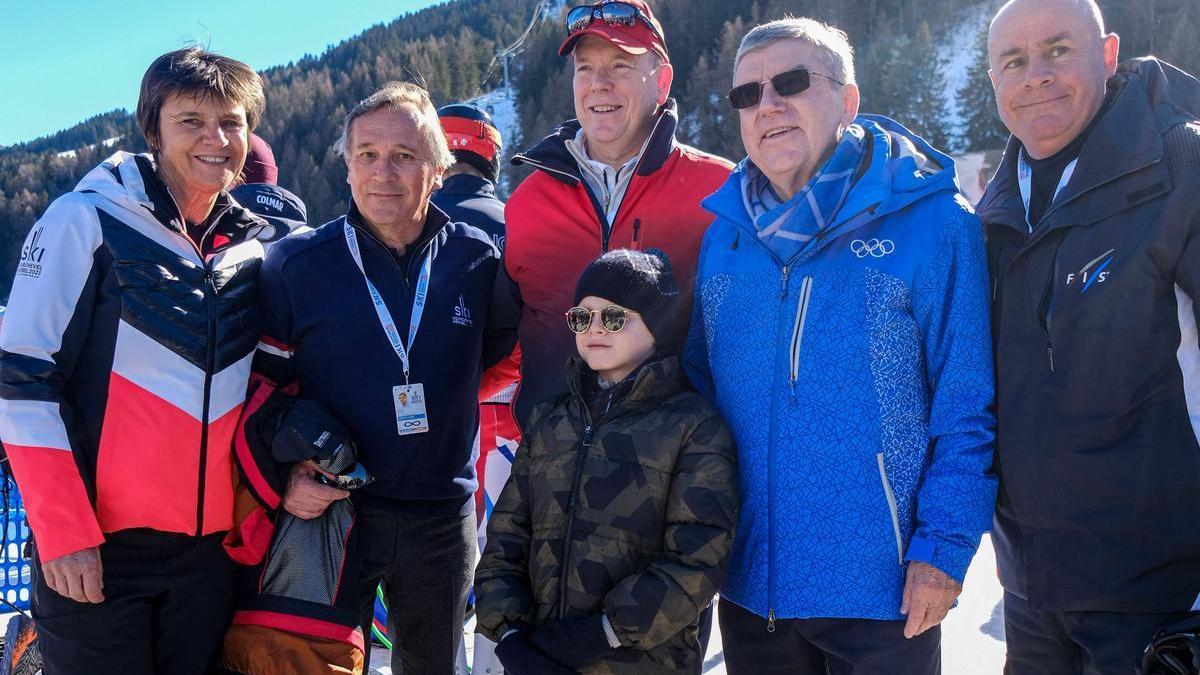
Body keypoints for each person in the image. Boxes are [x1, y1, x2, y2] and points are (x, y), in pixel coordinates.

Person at [684, 17, 996, 674]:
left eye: (790, 83)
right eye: (747, 94)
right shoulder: (724, 236)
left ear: (848, 100)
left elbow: (966, 401)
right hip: (751, 588)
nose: (766, 105)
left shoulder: (933, 220)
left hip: (883, 591)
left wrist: (942, 547)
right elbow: (699, 397)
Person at [0, 47, 268, 674]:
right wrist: (65, 533)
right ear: (153, 129)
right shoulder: (84, 219)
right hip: (97, 548)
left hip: (209, 555)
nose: (216, 138)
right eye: (191, 120)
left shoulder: (251, 248)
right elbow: (20, 379)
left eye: (231, 122)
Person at [243, 81, 518, 675]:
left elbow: (491, 357)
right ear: (346, 166)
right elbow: (261, 394)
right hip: (337, 511)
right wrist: (286, 475)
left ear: (438, 168)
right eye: (366, 154)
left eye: (403, 155)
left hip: (441, 515)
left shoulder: (478, 260)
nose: (383, 173)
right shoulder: (297, 265)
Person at [977, 1, 1200, 671]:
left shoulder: (1180, 165)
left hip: (1159, 598)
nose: (1035, 75)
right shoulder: (993, 211)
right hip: (1030, 592)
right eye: (1013, 61)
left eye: (1057, 51)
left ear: (1107, 55)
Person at [476, 248, 738, 675]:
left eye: (614, 317)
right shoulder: (550, 420)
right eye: (581, 317)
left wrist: (601, 634)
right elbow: (506, 536)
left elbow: (699, 557)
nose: (594, 329)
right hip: (537, 658)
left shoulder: (692, 427)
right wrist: (510, 637)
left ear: (657, 325)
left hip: (641, 663)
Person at [504, 0, 733, 428]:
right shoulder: (527, 201)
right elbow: (498, 338)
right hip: (551, 468)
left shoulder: (719, 191)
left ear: (662, 82)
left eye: (620, 66)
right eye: (585, 68)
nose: (598, 85)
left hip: (679, 469)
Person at [433, 101, 520, 672]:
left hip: (427, 427)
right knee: (505, 573)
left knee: (433, 583)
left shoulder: (401, 219)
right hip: (513, 421)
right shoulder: (520, 218)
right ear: (490, 155)